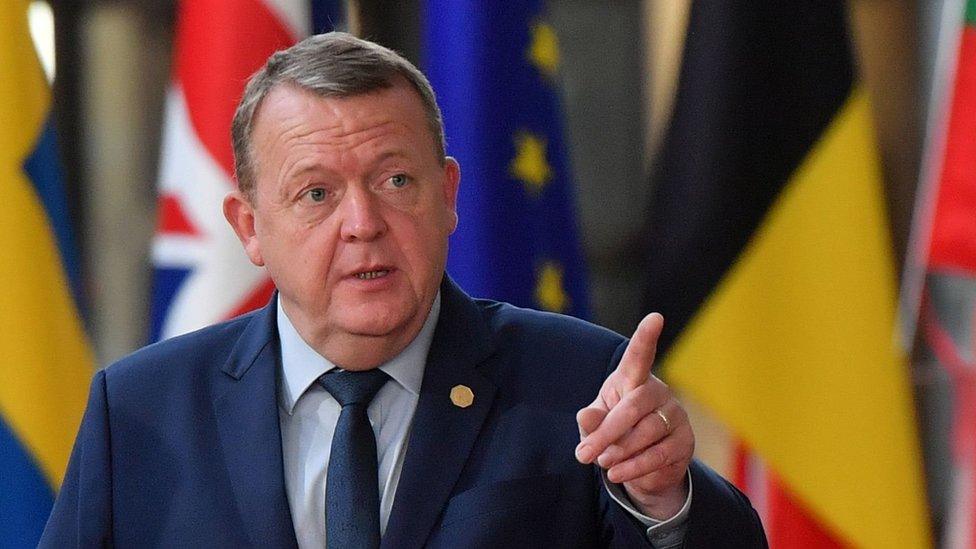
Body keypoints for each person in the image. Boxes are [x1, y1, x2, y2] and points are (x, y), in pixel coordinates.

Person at [41, 32, 765, 548]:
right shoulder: (139, 412)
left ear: (447, 193)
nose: (364, 224)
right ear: (249, 226)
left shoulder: (577, 382)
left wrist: (664, 497)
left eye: (395, 181)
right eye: (317, 193)